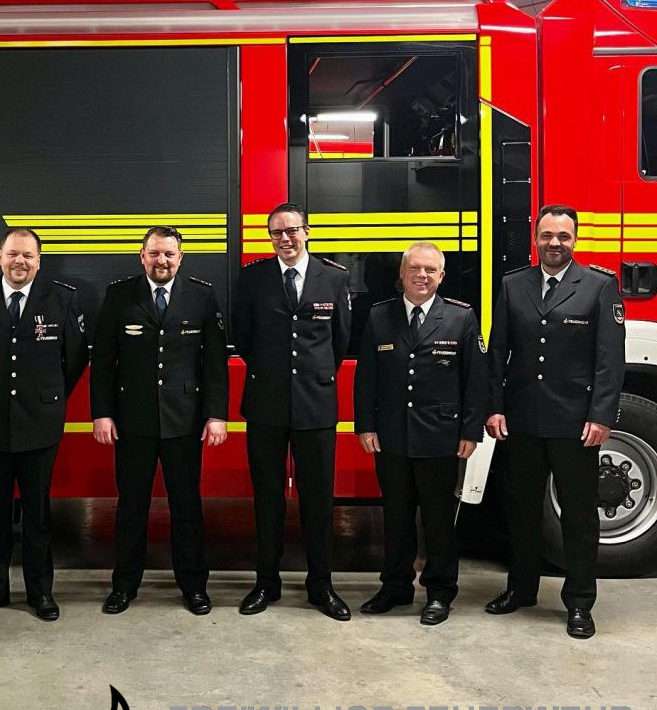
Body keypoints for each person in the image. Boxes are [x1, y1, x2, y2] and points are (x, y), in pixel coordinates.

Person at [485, 204, 625, 639]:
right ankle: (521, 589)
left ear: (575, 239)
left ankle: (580, 602)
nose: (554, 243)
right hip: (522, 419)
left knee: (579, 517)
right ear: (536, 239)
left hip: (575, 424)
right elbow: (498, 352)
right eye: (547, 235)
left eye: (563, 236)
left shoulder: (599, 286)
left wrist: (601, 416)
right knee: (522, 510)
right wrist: (495, 407)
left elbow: (610, 360)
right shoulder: (512, 284)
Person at [0, 227, 88, 621]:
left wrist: (47, 397)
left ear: (39, 262)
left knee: (37, 515)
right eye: (12, 254)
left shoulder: (61, 299)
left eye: (28, 255)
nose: (19, 262)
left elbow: (75, 359)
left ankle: (40, 593)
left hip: (39, 424)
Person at [91, 225, 228, 615]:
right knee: (131, 507)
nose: (161, 260)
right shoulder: (120, 295)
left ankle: (193, 586)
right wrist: (102, 413)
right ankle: (124, 586)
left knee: (187, 507)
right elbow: (104, 361)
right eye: (154, 253)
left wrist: (216, 415)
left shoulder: (201, 296)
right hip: (132, 422)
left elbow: (214, 362)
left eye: (169, 254)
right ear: (142, 256)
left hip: (184, 422)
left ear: (180, 258)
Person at [353, 242, 487, 625]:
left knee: (438, 520)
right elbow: (366, 377)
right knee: (395, 517)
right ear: (402, 273)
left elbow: (475, 381)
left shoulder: (460, 317)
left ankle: (440, 592)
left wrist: (471, 431)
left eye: (430, 270)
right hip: (391, 436)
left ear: (441, 276)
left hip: (440, 437)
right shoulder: (379, 316)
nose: (421, 276)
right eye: (414, 268)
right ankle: (395, 587)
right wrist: (366, 425)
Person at [233, 203, 352, 619]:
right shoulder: (253, 278)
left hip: (316, 406)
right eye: (277, 232)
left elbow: (340, 341)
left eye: (292, 230)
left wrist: (311, 379)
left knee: (318, 501)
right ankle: (266, 583)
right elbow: (243, 337)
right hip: (265, 404)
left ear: (307, 232)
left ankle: (321, 586)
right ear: (270, 237)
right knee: (267, 499)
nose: (285, 238)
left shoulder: (334, 278)